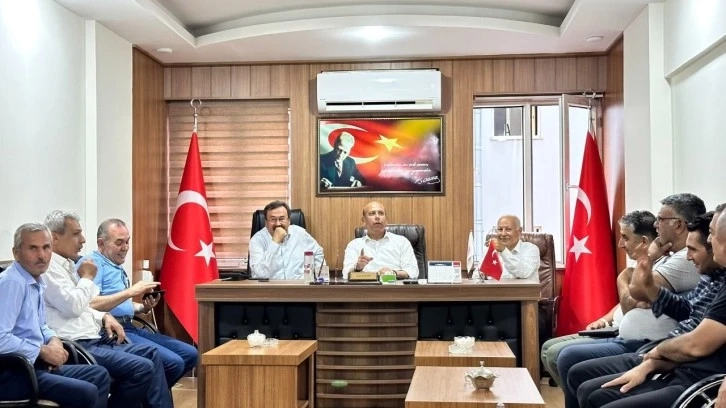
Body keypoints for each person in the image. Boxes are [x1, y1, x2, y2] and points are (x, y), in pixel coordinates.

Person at [571, 209, 726, 408]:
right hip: (672, 359)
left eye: (713, 233)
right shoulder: (713, 277)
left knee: (595, 393)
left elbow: (696, 345)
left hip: (691, 370)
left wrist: (658, 352)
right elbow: (687, 310)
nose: (688, 256)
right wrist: (651, 287)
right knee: (587, 388)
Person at [43, 211, 173, 408]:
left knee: (152, 354)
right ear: (55, 238)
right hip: (77, 344)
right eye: (76, 234)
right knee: (142, 368)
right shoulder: (49, 269)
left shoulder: (67, 265)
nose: (83, 239)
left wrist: (103, 316)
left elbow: (84, 306)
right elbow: (74, 306)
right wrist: (87, 278)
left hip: (97, 336)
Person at [541, 210, 657, 387]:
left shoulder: (654, 269)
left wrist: (622, 277)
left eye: (625, 238)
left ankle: (575, 395)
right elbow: (623, 303)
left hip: (626, 337)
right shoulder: (638, 262)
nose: (620, 244)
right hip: (610, 328)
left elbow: (628, 305)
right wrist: (604, 320)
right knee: (547, 348)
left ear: (643, 241)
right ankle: (573, 394)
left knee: (556, 354)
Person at [0, 223, 111, 408]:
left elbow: (42, 325)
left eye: (46, 247)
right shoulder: (12, 283)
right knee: (87, 391)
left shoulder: (35, 279)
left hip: (35, 366)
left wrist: (54, 340)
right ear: (16, 253)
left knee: (99, 375)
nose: (42, 255)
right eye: (33, 248)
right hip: (14, 373)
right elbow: (1, 339)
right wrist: (43, 351)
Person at [85, 218, 198, 387]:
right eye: (119, 243)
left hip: (130, 325)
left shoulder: (114, 264)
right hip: (113, 331)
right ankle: (147, 394)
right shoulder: (93, 264)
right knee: (173, 362)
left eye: (127, 241)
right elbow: (90, 303)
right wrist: (130, 292)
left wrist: (143, 307)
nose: (125, 248)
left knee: (190, 353)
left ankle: (149, 393)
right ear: (101, 244)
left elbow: (119, 305)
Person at [249, 200, 324, 279]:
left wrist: (319, 277)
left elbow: (318, 252)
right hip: (272, 286)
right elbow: (261, 275)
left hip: (299, 285)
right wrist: (274, 242)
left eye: (282, 219)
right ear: (266, 222)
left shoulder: (300, 233)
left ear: (288, 221)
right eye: (273, 219)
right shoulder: (257, 241)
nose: (278, 224)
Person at [343, 201, 418, 280]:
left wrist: (393, 273)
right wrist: (357, 267)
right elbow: (345, 274)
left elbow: (413, 271)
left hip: (394, 285)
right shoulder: (354, 245)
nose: (377, 217)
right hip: (366, 286)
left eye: (381, 213)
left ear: (386, 220)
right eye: (372, 213)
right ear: (364, 220)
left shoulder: (401, 242)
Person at [487, 215, 540, 280]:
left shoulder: (531, 249)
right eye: (500, 229)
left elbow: (524, 273)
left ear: (519, 231)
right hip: (496, 287)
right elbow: (477, 276)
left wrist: (503, 250)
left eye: (508, 229)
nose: (503, 234)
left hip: (523, 287)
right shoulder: (492, 250)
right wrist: (482, 275)